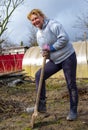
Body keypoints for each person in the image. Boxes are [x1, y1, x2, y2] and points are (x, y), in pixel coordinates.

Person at [26, 9, 78, 121]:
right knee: (39, 75)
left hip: (68, 56)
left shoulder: (53, 25)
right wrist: (45, 53)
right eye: (32, 20)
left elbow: (64, 38)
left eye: (36, 18)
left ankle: (73, 110)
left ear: (41, 16)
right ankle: (41, 105)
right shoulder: (38, 34)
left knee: (71, 84)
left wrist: (51, 48)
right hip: (55, 60)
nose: (35, 21)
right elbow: (43, 49)